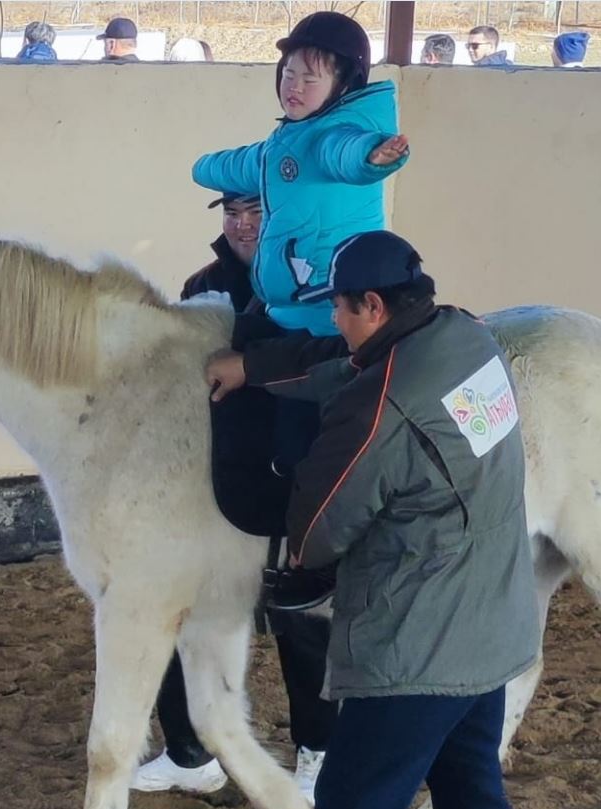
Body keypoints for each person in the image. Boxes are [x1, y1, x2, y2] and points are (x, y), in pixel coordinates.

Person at [258, 230, 538, 809]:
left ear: (374, 306)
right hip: (491, 623)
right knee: (472, 794)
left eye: (342, 309)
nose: (333, 320)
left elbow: (318, 529)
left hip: (419, 643)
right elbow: (361, 372)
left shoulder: (380, 404)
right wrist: (255, 367)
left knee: (351, 806)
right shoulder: (468, 337)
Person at [193, 10, 409, 611]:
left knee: (312, 449)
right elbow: (238, 165)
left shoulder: (333, 140)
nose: (295, 85)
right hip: (286, 314)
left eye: (311, 78)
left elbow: (351, 155)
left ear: (343, 85)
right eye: (288, 72)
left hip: (332, 323)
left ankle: (323, 566)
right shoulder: (282, 145)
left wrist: (378, 157)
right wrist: (203, 167)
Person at [133, 191, 337, 802]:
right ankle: (189, 754)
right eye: (233, 214)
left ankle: (318, 754)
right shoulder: (204, 285)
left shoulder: (313, 282)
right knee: (177, 610)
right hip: (217, 468)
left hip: (293, 467)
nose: (243, 225)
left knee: (302, 618)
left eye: (257, 213)